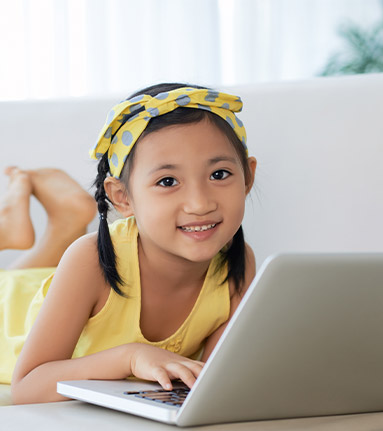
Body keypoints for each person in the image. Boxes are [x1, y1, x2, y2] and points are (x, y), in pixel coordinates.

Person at [4, 83, 257, 405]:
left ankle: (65, 221)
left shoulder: (237, 260)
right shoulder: (88, 258)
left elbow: (216, 376)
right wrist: (129, 357)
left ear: (248, 177)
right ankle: (16, 224)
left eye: (219, 175)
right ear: (122, 197)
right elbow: (26, 388)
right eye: (167, 181)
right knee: (13, 284)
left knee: (39, 277)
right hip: (8, 311)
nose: (199, 204)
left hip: (46, 285)